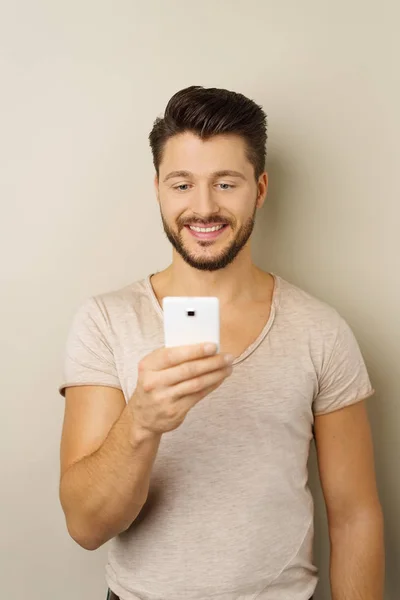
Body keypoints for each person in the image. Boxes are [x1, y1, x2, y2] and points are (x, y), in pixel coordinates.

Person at [58, 85, 384, 600]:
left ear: (260, 188)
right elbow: (86, 526)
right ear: (158, 189)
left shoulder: (320, 330)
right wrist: (141, 422)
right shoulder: (105, 321)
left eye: (226, 183)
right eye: (182, 184)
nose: (203, 208)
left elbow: (355, 515)